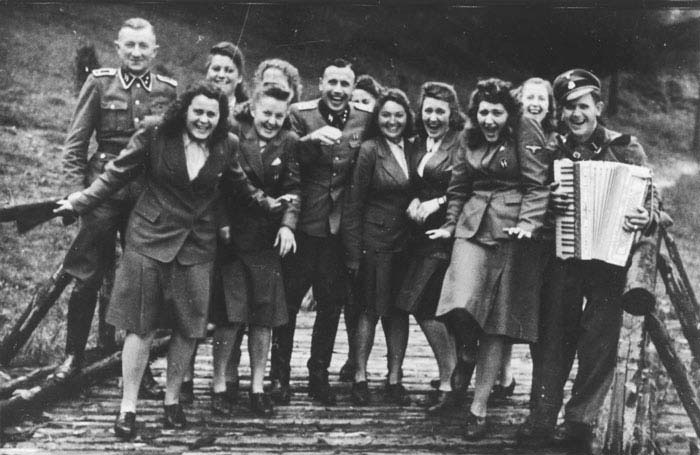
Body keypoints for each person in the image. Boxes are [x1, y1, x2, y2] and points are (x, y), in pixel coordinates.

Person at [55, 81, 280, 439]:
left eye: (212, 114)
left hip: (196, 244)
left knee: (189, 326)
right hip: (149, 237)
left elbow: (241, 186)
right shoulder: (155, 133)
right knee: (139, 323)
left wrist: (273, 206)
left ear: (221, 118)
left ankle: (172, 401)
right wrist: (79, 201)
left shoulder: (227, 145)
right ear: (185, 110)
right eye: (198, 112)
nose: (204, 120)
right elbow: (116, 173)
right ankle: (127, 407)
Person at [517, 69, 658, 453]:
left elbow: (653, 205)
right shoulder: (550, 151)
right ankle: (542, 416)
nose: (575, 115)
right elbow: (529, 198)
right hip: (563, 258)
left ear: (597, 107)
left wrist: (646, 217)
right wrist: (550, 205)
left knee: (599, 341)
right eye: (567, 108)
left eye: (582, 106)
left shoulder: (627, 149)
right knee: (552, 338)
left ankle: (580, 420)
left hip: (609, 261)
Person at [55, 18, 177, 401]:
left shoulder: (167, 90)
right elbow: (76, 146)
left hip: (147, 195)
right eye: (130, 46)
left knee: (144, 279)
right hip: (104, 192)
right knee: (87, 273)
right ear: (118, 47)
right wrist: (77, 197)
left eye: (144, 46)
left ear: (154, 51)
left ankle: (139, 371)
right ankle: (73, 356)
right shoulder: (100, 83)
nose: (137, 53)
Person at [428, 78, 549, 440]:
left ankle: (478, 408)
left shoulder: (525, 130)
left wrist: (529, 223)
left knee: (497, 323)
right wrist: (450, 225)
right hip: (471, 226)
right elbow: (458, 187)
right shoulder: (470, 137)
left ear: (509, 113)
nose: (490, 119)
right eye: (483, 112)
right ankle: (466, 353)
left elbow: (537, 183)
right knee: (458, 301)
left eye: (497, 112)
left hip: (512, 234)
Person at [269, 58, 372, 405]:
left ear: (353, 88)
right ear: (321, 83)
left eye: (345, 84)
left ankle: (318, 376)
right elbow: (286, 155)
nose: (338, 91)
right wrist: (311, 140)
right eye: (333, 83)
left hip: (337, 230)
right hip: (301, 226)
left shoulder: (363, 119)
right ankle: (279, 377)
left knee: (330, 305)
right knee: (288, 303)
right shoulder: (301, 114)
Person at [209, 86, 301, 417]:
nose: (272, 121)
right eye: (267, 113)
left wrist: (288, 225)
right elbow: (218, 185)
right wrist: (221, 223)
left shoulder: (289, 142)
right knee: (230, 317)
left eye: (279, 115)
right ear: (254, 110)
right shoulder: (235, 135)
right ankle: (220, 384)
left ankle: (258, 387)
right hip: (233, 238)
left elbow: (293, 189)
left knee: (263, 319)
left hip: (266, 241)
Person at [180, 40, 249, 405]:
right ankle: (186, 376)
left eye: (229, 71)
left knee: (230, 305)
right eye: (216, 69)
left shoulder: (250, 117)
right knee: (194, 303)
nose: (221, 76)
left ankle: (222, 377)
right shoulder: (198, 112)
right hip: (203, 223)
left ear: (240, 78)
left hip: (240, 224)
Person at [341, 88, 416, 406]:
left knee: (398, 313)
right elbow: (353, 203)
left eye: (399, 115)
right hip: (375, 242)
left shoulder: (414, 149)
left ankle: (395, 378)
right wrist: (353, 250)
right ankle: (360, 376)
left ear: (407, 118)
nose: (392, 121)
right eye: (385, 115)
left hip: (406, 242)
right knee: (370, 311)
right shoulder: (370, 149)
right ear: (377, 118)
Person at [395, 81, 465, 412]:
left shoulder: (461, 143)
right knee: (431, 307)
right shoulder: (417, 143)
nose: (433, 117)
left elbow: (467, 185)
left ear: (452, 114)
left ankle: (450, 381)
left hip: (446, 233)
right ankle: (452, 378)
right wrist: (412, 199)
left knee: (424, 307)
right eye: (428, 110)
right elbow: (407, 178)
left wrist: (435, 203)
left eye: (440, 111)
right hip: (417, 235)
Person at [491, 77, 558, 402]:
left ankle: (530, 386)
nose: (535, 103)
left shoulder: (555, 136)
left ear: (549, 104)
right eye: (529, 97)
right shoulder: (517, 130)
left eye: (541, 99)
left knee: (530, 313)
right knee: (507, 307)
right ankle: (503, 376)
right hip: (520, 227)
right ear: (520, 99)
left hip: (546, 234)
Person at [339, 72, 385, 383]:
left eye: (365, 103)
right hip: (343, 218)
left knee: (367, 299)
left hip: (371, 224)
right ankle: (351, 355)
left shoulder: (377, 143)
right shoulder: (347, 133)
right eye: (354, 101)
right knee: (348, 299)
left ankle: (359, 360)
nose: (358, 107)